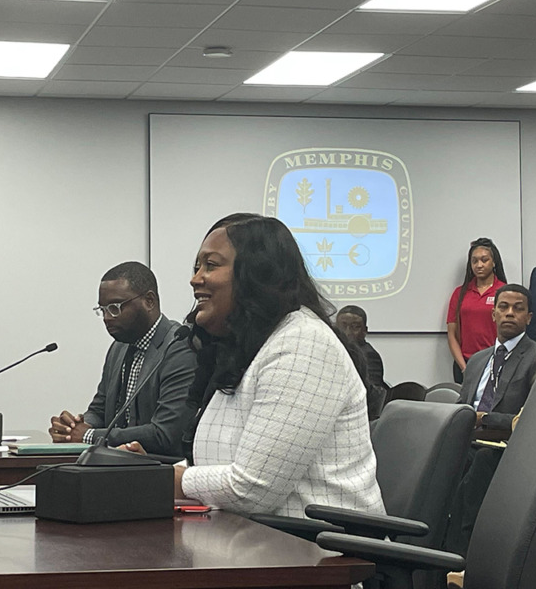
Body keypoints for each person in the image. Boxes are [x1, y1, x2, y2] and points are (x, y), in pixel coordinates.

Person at [128, 213, 383, 518]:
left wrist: (166, 480)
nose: (195, 279)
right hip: (264, 545)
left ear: (257, 275)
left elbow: (252, 490)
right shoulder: (249, 347)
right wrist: (152, 470)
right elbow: (222, 462)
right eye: (197, 267)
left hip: (327, 552)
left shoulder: (303, 344)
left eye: (211, 265)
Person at [48, 261, 196, 455]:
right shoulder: (119, 346)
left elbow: (164, 433)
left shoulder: (179, 347)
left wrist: (88, 435)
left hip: (160, 472)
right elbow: (99, 410)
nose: (107, 317)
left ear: (149, 301)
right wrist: (73, 427)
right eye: (103, 309)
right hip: (116, 466)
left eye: (115, 307)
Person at [444, 284, 536, 557]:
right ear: (493, 315)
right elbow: (461, 407)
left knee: (476, 464)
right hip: (466, 442)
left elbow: (533, 417)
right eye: (503, 307)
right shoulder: (476, 360)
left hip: (503, 449)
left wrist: (485, 418)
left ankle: (458, 561)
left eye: (518, 308)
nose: (510, 313)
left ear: (529, 317)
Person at [446, 238, 507, 383]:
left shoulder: (504, 292)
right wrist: (464, 367)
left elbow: (511, 333)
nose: (479, 265)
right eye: (474, 261)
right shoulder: (460, 293)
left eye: (484, 260)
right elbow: (452, 334)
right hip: (465, 364)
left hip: (496, 364)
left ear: (493, 263)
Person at [336, 305, 387, 419]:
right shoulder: (335, 350)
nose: (348, 332)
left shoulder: (369, 355)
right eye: (343, 326)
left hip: (359, 416)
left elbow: (371, 393)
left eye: (355, 327)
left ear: (365, 331)